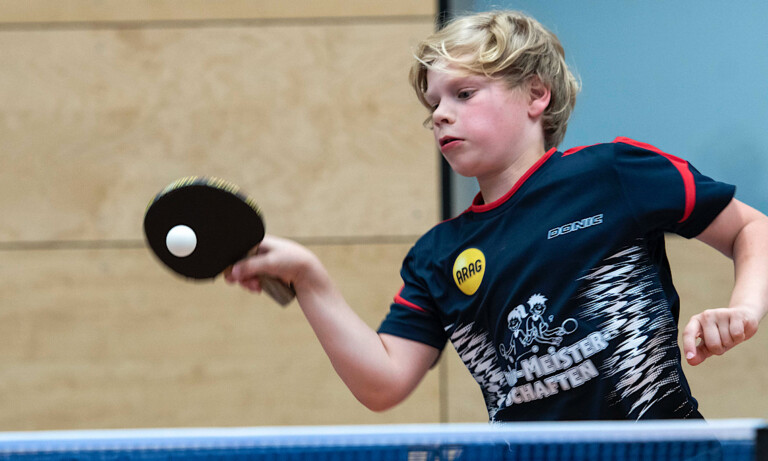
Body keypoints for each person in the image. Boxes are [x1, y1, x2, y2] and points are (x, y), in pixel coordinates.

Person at [225, 10, 768, 422]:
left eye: (464, 93)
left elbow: (752, 227)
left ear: (536, 95)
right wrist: (310, 280)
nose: (441, 114)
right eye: (433, 104)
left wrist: (744, 309)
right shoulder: (437, 255)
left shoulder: (614, 173)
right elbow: (383, 384)